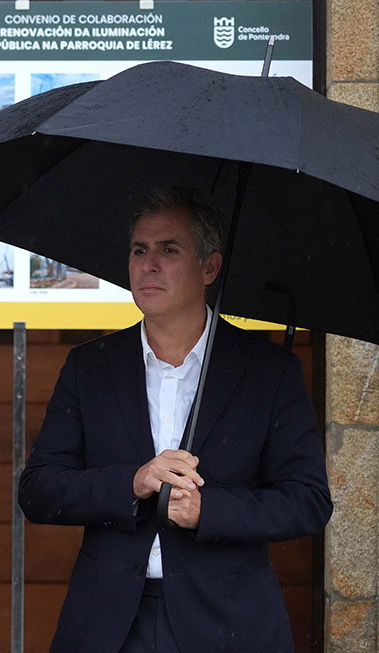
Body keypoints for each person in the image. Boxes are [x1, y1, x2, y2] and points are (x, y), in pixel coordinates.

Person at [18, 187, 332, 653]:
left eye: (169, 250)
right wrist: (132, 482)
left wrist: (210, 511)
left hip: (228, 624)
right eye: (139, 250)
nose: (149, 264)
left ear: (210, 267)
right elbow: (39, 490)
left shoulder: (268, 372)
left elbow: (307, 501)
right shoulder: (91, 366)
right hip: (109, 622)